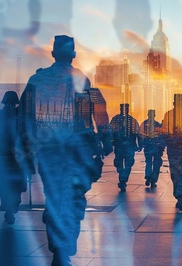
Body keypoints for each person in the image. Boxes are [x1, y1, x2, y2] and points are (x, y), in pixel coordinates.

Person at [19, 35, 112, 265]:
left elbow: (24, 118)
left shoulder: (36, 79)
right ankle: (63, 248)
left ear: (52, 54)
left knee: (54, 197)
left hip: (48, 153)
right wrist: (106, 140)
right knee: (72, 198)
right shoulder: (81, 79)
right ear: (73, 55)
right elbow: (99, 112)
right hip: (76, 152)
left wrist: (25, 151)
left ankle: (59, 249)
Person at [0, 91, 26, 224]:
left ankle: (9, 206)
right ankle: (11, 206)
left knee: (5, 182)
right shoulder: (20, 117)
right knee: (16, 182)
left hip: (3, 155)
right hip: (14, 156)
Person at [110, 103, 141, 192]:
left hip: (127, 146)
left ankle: (123, 180)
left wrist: (140, 144)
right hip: (120, 146)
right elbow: (110, 132)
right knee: (119, 164)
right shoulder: (116, 120)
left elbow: (137, 133)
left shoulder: (130, 120)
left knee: (128, 164)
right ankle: (123, 179)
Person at [139, 109, 164, 188]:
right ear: (154, 115)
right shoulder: (158, 124)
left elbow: (140, 135)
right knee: (156, 163)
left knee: (148, 162)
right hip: (157, 147)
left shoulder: (144, 124)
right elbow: (162, 135)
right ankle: (153, 179)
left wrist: (140, 145)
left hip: (148, 146)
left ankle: (148, 176)